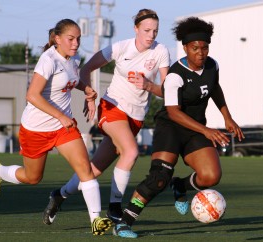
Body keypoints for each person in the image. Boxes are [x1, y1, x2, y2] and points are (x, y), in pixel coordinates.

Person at [112, 16, 245, 238]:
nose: (201, 53)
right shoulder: (175, 75)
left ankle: (180, 186)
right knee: (159, 178)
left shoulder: (212, 65)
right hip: (171, 127)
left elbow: (215, 88)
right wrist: (207, 131)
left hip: (195, 128)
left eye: (204, 48)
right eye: (195, 48)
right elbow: (173, 112)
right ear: (185, 48)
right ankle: (124, 222)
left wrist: (227, 117)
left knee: (211, 176)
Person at [42, 9, 170, 226]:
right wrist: (89, 95)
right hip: (112, 108)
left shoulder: (161, 51)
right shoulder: (120, 48)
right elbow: (86, 69)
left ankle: (59, 195)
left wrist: (148, 85)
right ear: (136, 29)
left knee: (92, 171)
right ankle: (115, 208)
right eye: (147, 30)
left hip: (136, 118)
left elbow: (167, 90)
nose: (151, 35)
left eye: (155, 31)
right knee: (130, 152)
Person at [0, 19, 112, 236]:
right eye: (71, 39)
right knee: (32, 178)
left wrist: (87, 90)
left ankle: (96, 220)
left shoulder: (73, 59)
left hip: (63, 128)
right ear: (57, 38)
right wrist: (60, 116)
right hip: (35, 129)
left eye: (78, 39)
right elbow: (32, 95)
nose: (75, 43)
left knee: (85, 169)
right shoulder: (48, 59)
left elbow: (71, 80)